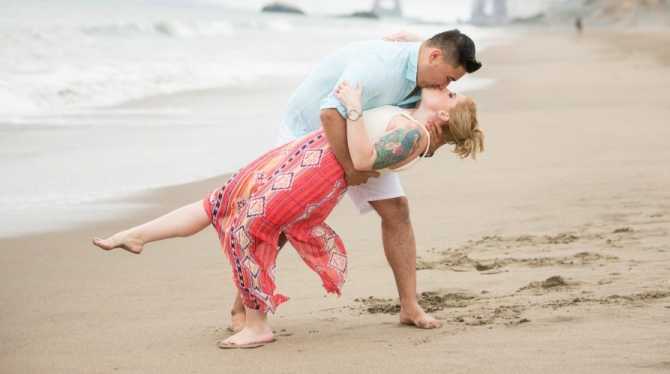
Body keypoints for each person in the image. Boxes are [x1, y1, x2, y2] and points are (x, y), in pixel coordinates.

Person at [93, 84, 485, 349]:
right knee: (221, 200)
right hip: (306, 153)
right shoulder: (414, 116)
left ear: (446, 116)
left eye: (451, 93)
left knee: (253, 228)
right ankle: (138, 235)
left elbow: (362, 161)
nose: (444, 87)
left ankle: (257, 326)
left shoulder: (414, 137)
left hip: (318, 173)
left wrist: (351, 107)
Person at [229, 29, 483, 332]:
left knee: (397, 211)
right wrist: (351, 169)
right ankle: (241, 307)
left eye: (451, 85)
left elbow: (422, 126)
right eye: (449, 79)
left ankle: (409, 307)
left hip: (366, 134)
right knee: (281, 222)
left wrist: (429, 144)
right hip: (310, 132)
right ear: (434, 57)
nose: (445, 86)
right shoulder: (378, 67)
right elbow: (329, 114)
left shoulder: (425, 69)